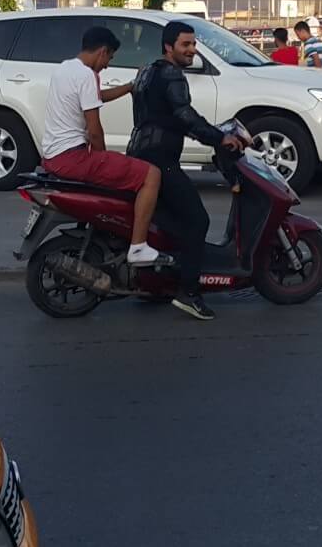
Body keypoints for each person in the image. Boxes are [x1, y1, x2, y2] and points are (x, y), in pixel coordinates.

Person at [128, 20, 245, 321]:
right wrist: (220, 138)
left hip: (139, 152)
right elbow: (184, 116)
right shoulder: (172, 75)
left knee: (170, 222)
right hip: (160, 160)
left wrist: (208, 132)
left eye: (194, 44)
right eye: (186, 45)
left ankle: (160, 279)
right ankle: (189, 293)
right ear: (169, 47)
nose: (192, 50)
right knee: (197, 221)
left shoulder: (146, 71)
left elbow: (161, 116)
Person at [41, 26, 162, 267]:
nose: (107, 65)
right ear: (103, 52)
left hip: (53, 155)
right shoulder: (86, 75)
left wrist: (129, 87)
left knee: (121, 167)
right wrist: (104, 158)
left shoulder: (65, 69)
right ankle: (138, 247)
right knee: (152, 175)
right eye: (110, 58)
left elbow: (97, 96)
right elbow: (94, 130)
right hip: (73, 157)